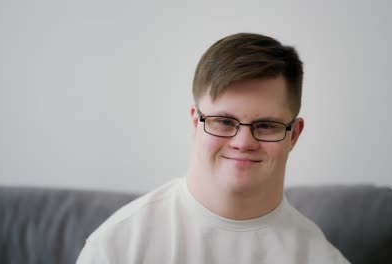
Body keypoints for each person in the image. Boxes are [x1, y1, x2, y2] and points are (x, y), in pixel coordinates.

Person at [77, 32, 350, 264]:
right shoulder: (117, 247)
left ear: (294, 135)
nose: (243, 143)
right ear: (196, 123)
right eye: (223, 121)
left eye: (266, 125)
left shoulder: (321, 258)